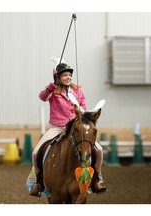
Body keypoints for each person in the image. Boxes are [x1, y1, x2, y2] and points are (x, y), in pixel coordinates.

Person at [29, 62, 107, 197]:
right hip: (58, 127)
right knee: (36, 153)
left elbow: (83, 106)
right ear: (58, 78)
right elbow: (42, 97)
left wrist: (85, 113)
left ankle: (96, 179)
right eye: (65, 75)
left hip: (75, 127)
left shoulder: (78, 91)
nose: (68, 77)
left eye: (70, 75)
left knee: (99, 150)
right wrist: (50, 88)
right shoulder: (53, 91)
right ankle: (39, 182)